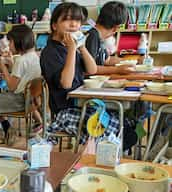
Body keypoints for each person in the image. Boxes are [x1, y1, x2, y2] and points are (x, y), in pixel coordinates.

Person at [40, 2, 136, 149]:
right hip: (65, 112)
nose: (73, 24)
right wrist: (72, 49)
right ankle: (100, 160)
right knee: (124, 133)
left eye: (78, 20)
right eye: (67, 19)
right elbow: (66, 83)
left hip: (84, 105)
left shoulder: (72, 47)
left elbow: (91, 70)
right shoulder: (50, 52)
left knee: (129, 122)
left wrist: (82, 47)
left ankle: (108, 157)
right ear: (54, 25)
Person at [0, 24, 42, 137]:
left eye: (10, 42)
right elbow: (22, 74)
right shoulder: (34, 56)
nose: (9, 45)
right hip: (30, 100)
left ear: (19, 41)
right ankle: (5, 124)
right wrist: (11, 63)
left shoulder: (21, 60)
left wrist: (3, 67)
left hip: (19, 100)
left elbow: (11, 86)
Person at [85, 1, 134, 75]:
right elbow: (90, 69)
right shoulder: (93, 36)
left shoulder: (99, 36)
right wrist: (117, 70)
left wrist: (131, 61)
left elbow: (107, 60)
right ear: (116, 27)